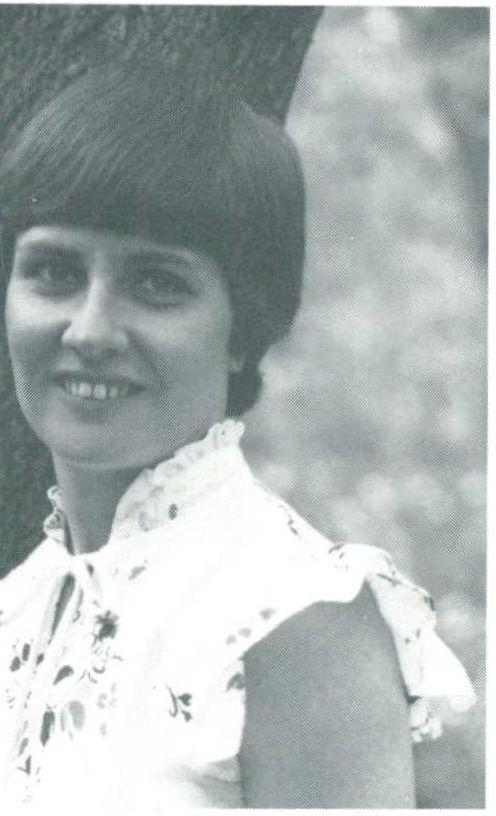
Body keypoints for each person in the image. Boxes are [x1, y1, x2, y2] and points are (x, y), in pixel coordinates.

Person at [0, 61, 476, 812]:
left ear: (244, 328)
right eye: (54, 273)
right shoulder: (20, 604)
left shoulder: (296, 618)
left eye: (157, 284)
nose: (89, 331)